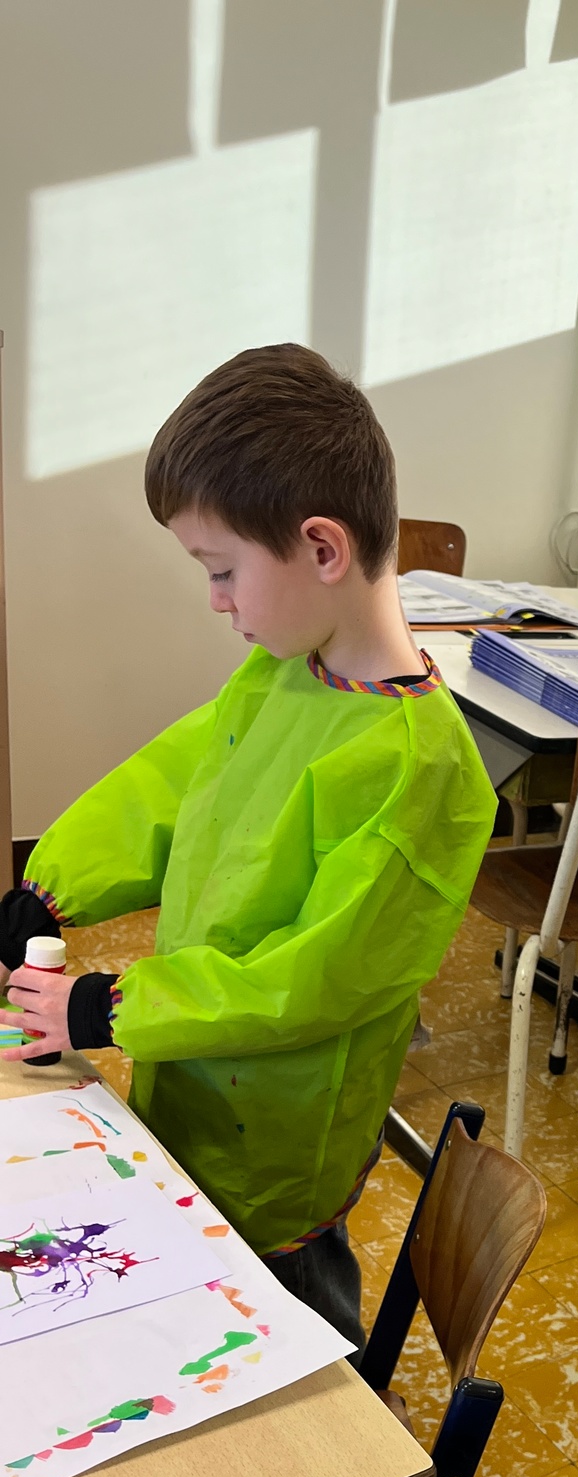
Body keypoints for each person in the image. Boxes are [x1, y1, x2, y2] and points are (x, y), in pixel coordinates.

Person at [0, 345, 496, 1348]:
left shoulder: (421, 769)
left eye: (223, 570)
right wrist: (48, 888)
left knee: (290, 1328)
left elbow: (309, 981)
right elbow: (172, 784)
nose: (216, 599)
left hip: (280, 1140)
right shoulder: (287, 672)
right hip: (188, 1074)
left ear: (322, 548)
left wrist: (111, 1005)